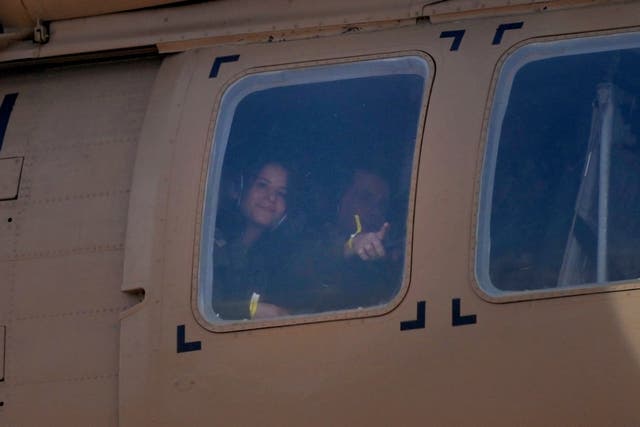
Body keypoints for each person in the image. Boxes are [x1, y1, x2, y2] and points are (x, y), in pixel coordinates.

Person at [285, 167, 403, 314]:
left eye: (381, 205)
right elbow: (299, 268)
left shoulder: (387, 258)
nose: (375, 211)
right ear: (341, 199)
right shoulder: (310, 238)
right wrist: (351, 245)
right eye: (365, 198)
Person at [212, 160, 293, 320]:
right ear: (240, 189)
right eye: (262, 185)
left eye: (281, 193)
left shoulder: (270, 257)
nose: (271, 197)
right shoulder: (210, 243)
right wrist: (249, 310)